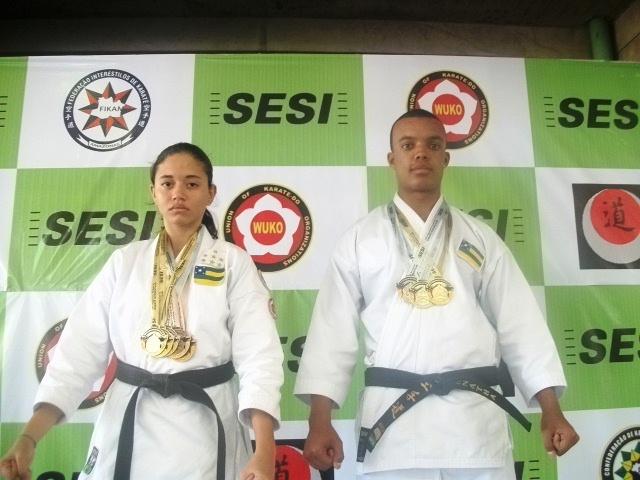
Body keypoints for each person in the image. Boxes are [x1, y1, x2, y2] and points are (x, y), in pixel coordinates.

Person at [294, 109, 579, 479]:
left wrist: (550, 408)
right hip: (393, 429)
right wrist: (319, 419)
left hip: (474, 427)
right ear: (391, 159)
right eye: (407, 145)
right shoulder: (361, 240)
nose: (420, 153)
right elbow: (331, 333)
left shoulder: (480, 238)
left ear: (445, 158)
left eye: (432, 145)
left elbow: (520, 323)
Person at [0, 142, 284, 480]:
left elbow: (259, 357)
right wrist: (29, 438)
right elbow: (76, 355)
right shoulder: (126, 261)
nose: (178, 193)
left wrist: (264, 450)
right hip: (130, 419)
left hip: (206, 424)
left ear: (211, 193)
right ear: (153, 192)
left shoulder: (233, 262)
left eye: (192, 184)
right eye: (167, 183)